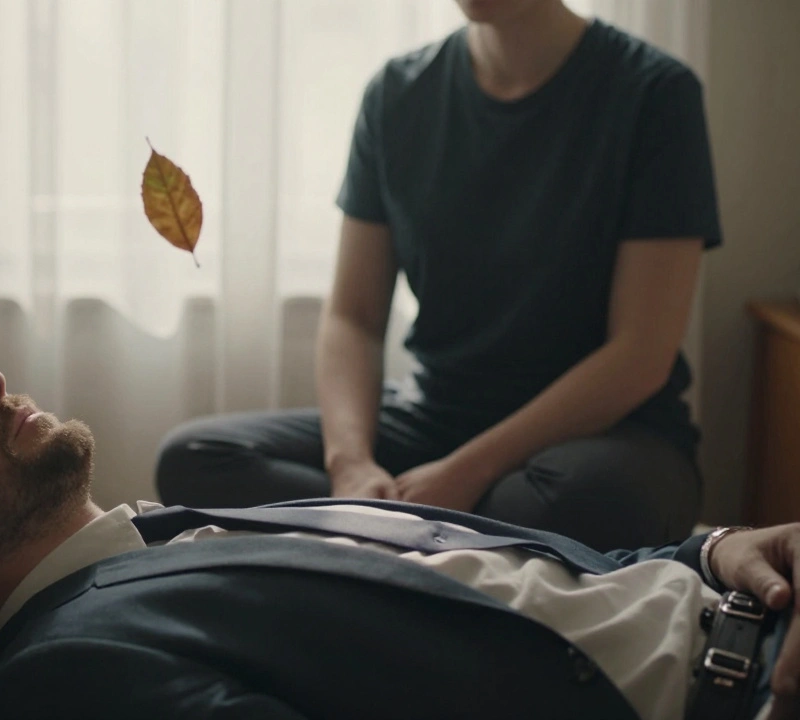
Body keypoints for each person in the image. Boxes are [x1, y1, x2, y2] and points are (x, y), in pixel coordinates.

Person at [0, 368, 800, 720]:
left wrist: (715, 552)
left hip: (749, 593)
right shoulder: (74, 671)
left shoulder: (175, 531)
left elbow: (547, 582)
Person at [154, 0, 721, 552]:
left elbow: (641, 355)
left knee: (579, 501)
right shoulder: (397, 95)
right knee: (196, 456)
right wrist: (350, 465)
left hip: (607, 439)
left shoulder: (655, 93)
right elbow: (354, 316)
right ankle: (418, 527)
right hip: (437, 419)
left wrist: (466, 470)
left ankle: (390, 530)